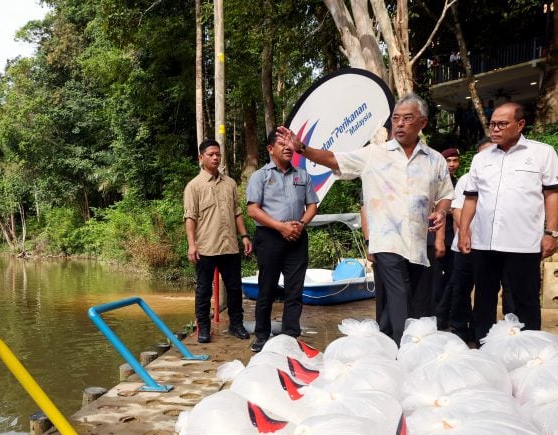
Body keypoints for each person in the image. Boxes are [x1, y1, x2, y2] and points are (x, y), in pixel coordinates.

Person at [276, 93, 453, 344]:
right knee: (400, 294)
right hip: (386, 241)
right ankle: (407, 351)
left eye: (407, 118)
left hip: (418, 242)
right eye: (396, 119)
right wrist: (302, 148)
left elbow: (445, 194)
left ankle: (387, 343)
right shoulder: (374, 154)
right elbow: (333, 159)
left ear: (422, 123)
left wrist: (442, 211)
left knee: (414, 300)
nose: (399, 124)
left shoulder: (435, 160)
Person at [458, 102, 558, 341]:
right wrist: (464, 232)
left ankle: (529, 347)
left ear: (520, 124)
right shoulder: (481, 159)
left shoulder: (542, 153)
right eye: (492, 124)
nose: (495, 129)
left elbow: (552, 195)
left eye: (502, 124)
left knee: (524, 298)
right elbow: (471, 199)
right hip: (485, 243)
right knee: (484, 298)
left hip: (523, 243)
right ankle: (484, 344)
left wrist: (551, 232)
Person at [244, 130, 318, 352]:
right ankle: (262, 335)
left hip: (297, 236)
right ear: (270, 149)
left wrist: (301, 224)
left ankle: (290, 336)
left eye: (289, 144)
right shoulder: (260, 176)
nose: (288, 147)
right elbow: (252, 210)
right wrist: (280, 227)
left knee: (295, 289)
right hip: (269, 237)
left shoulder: (302, 175)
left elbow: (312, 205)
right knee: (266, 288)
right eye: (281, 144)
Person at [183, 139, 253, 343]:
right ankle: (204, 328)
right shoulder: (194, 186)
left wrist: (245, 236)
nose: (215, 157)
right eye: (211, 154)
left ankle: (236, 325)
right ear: (201, 158)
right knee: (204, 290)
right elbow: (190, 217)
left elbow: (237, 212)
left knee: (234, 288)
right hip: (206, 247)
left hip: (229, 245)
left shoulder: (230, 183)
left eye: (218, 154)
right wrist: (192, 245)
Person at [443, 139, 492, 341]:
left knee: (486, 288)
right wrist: (464, 233)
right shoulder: (466, 179)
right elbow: (457, 209)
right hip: (465, 244)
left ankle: (484, 330)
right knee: (460, 287)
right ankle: (460, 328)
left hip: (490, 245)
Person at [428, 147, 461, 327]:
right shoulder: (436, 180)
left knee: (451, 279)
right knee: (436, 281)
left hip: (453, 238)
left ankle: (444, 316)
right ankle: (436, 319)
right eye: (448, 161)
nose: (452, 165)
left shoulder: (457, 181)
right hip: (437, 236)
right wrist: (438, 240)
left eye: (455, 161)